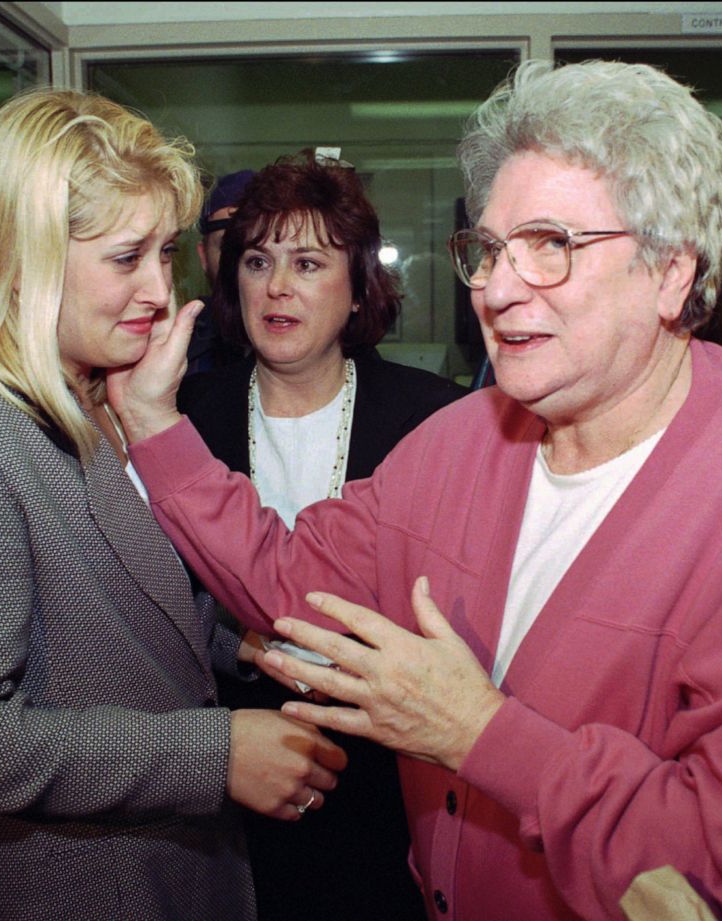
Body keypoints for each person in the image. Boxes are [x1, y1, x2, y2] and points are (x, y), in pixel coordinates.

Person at [110, 60, 722, 921]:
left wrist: (476, 732)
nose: (494, 286)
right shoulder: (462, 441)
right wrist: (156, 426)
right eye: (489, 248)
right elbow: (289, 578)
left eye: (551, 244)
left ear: (672, 271)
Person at [0, 88, 346, 921]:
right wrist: (215, 754)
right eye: (126, 258)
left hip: (183, 872)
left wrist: (244, 646)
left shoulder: (92, 389)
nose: (160, 289)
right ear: (25, 255)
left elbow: (123, 603)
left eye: (166, 253)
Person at [178, 150, 465, 921]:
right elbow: (150, 593)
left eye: (308, 262)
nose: (277, 285)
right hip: (225, 766)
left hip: (388, 771)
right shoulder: (179, 419)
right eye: (258, 259)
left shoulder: (432, 418)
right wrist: (231, 647)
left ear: (358, 285)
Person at [186, 168, 256, 375]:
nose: (241, 261)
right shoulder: (178, 347)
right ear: (203, 256)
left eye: (257, 252)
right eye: (228, 247)